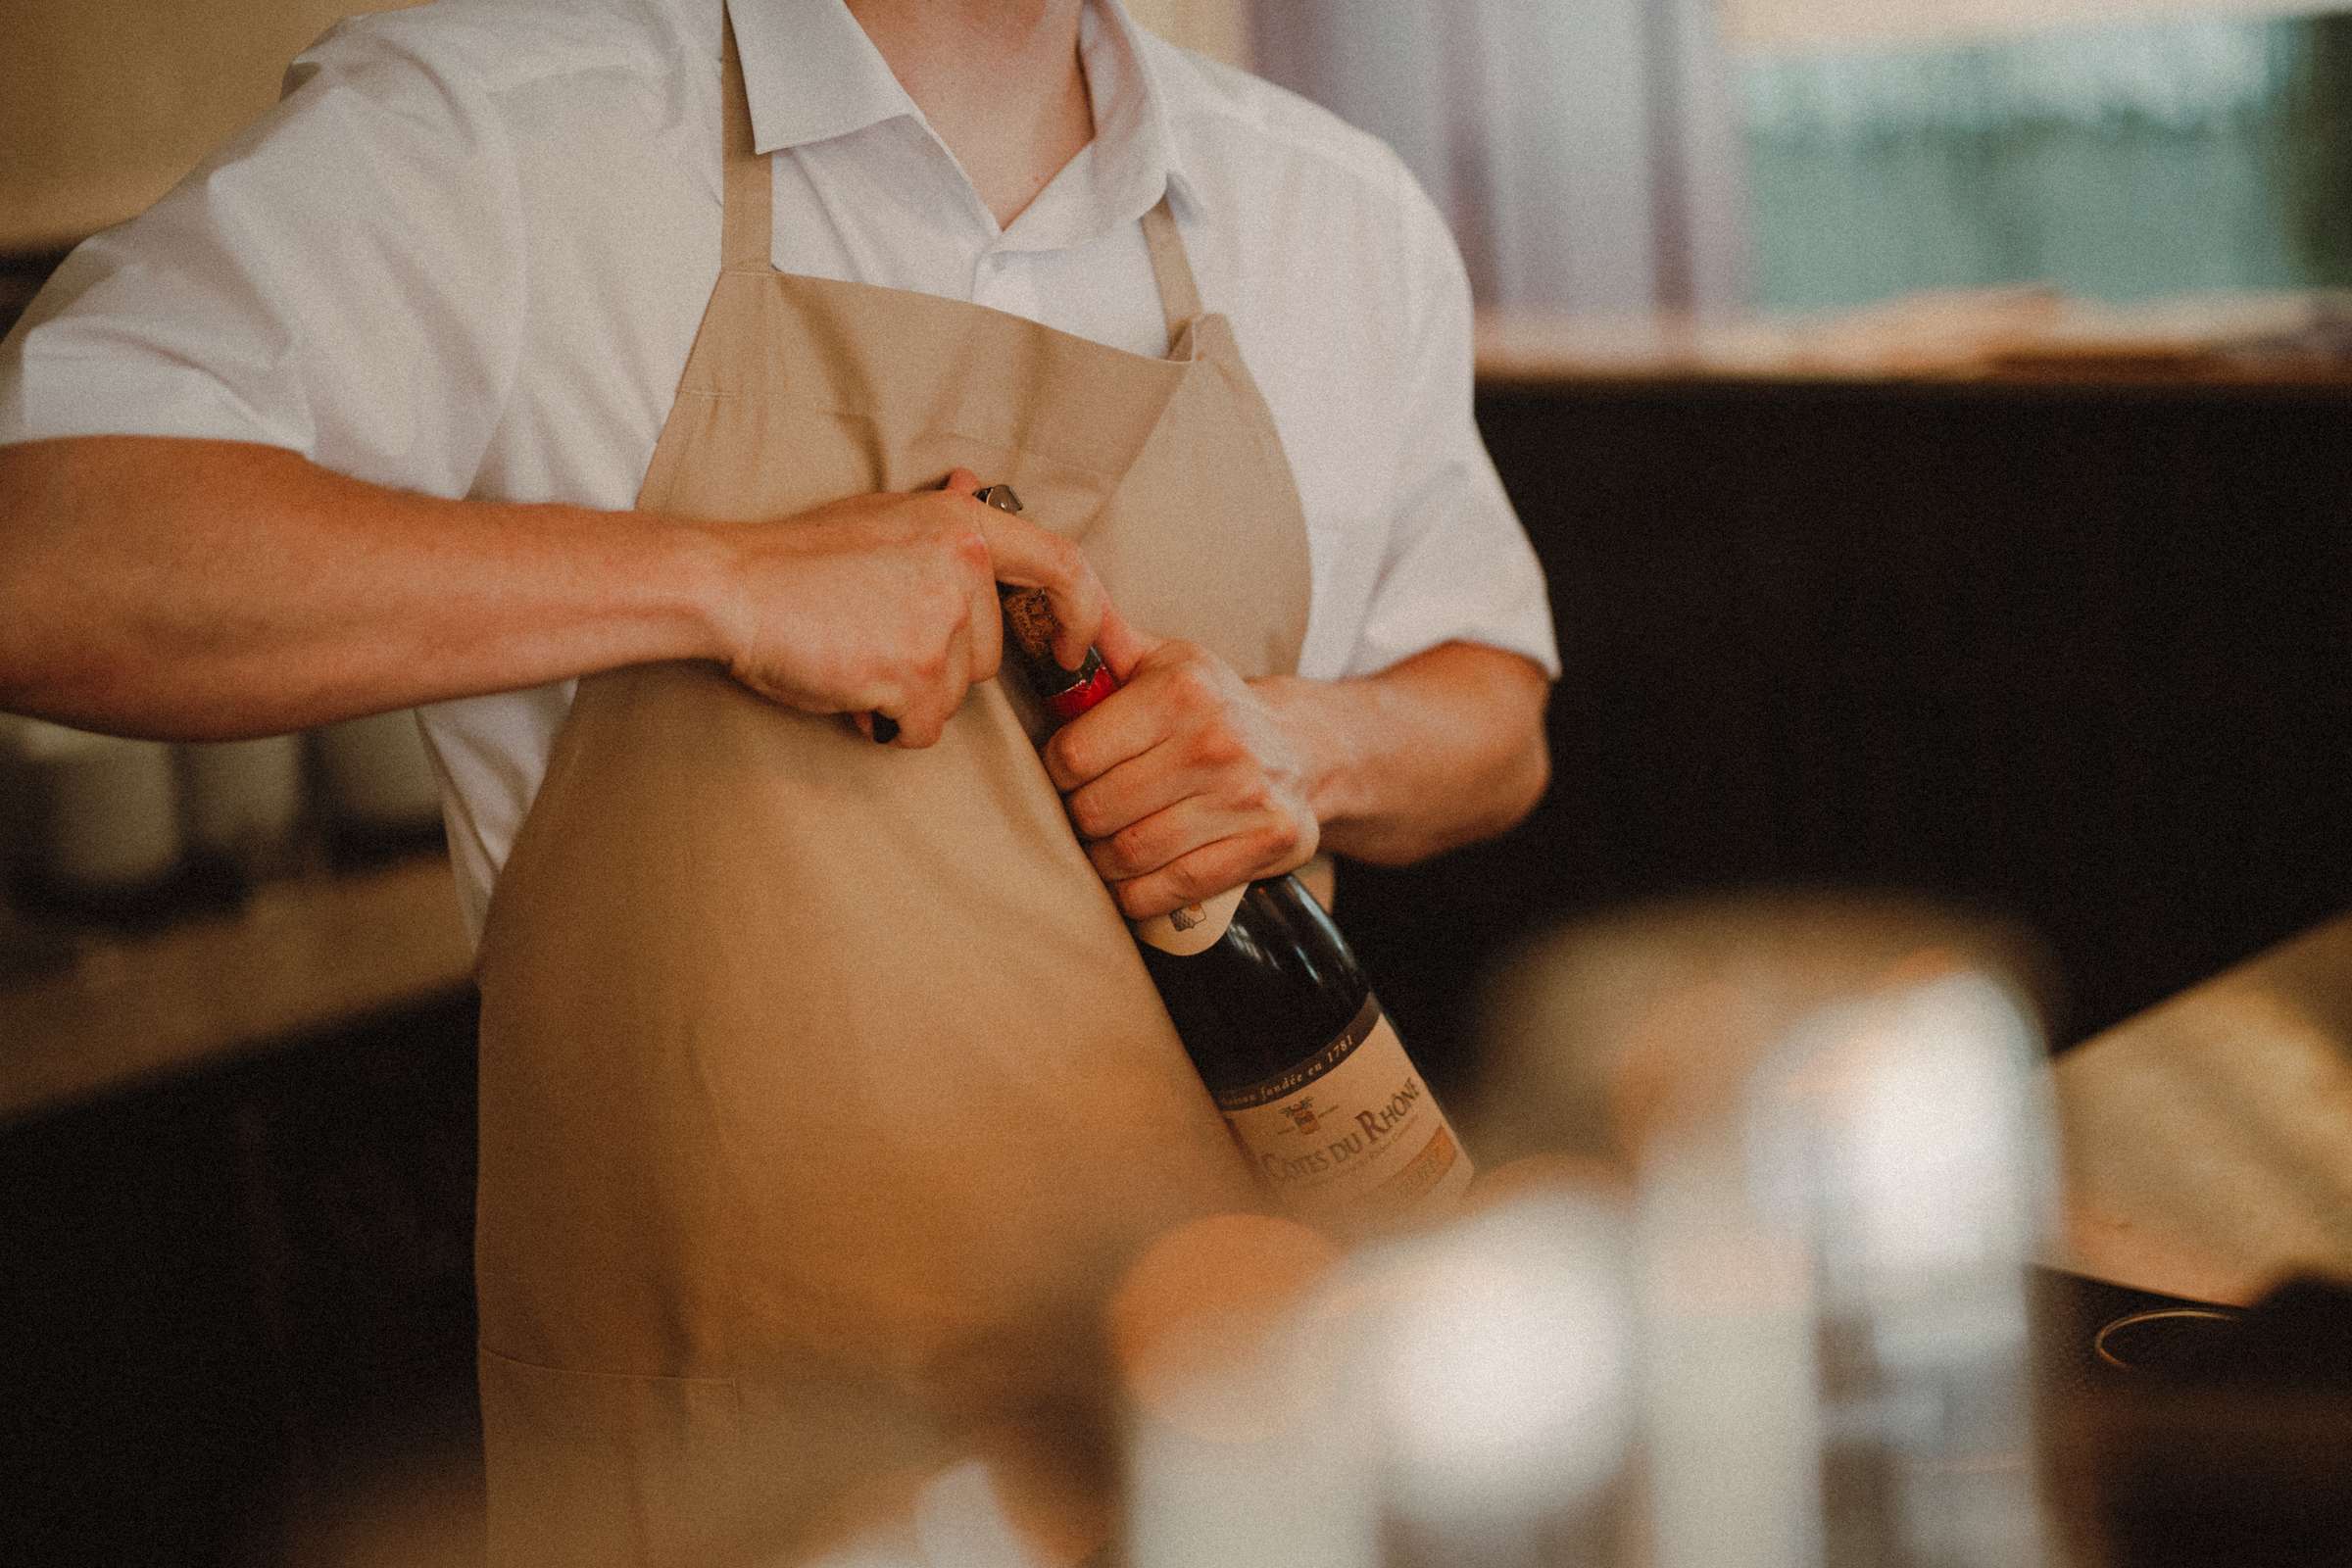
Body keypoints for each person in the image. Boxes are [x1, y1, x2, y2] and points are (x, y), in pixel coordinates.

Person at [0, 0, 1557, 1560]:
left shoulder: (1337, 213)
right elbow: (45, 556)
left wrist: (1311, 747)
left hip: (1225, 1446)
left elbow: (1493, 712)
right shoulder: (497, 134)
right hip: (726, 1494)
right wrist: (720, 581)